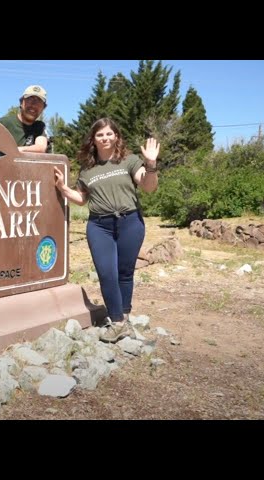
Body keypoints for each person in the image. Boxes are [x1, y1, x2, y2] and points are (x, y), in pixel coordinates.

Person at [53, 118, 160, 343]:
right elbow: (82, 199)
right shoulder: (87, 169)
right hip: (99, 225)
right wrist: (63, 188)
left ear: (117, 137)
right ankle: (118, 321)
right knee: (106, 273)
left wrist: (150, 164)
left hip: (130, 222)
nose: (105, 138)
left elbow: (149, 187)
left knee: (124, 272)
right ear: (93, 139)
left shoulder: (129, 161)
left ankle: (124, 318)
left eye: (109, 134)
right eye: (100, 134)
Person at [0, 85, 49, 153]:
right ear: (21, 102)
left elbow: (41, 148)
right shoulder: (5, 123)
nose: (33, 104)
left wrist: (13, 151)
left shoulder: (39, 126)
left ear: (43, 107)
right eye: (30, 99)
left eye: (39, 101)